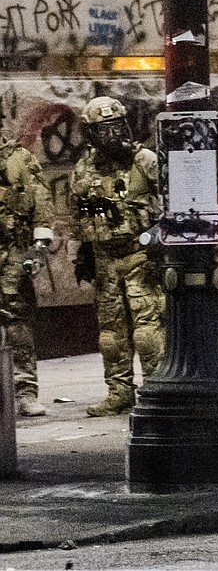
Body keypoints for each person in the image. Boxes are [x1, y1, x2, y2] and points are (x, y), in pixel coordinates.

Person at [69, 96, 164, 417]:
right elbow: (77, 213)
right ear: (90, 134)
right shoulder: (85, 167)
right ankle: (120, 391)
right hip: (105, 259)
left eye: (115, 127)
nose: (111, 135)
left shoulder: (145, 161)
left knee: (147, 329)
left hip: (141, 256)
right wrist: (82, 252)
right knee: (110, 335)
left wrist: (159, 238)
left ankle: (155, 389)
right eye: (102, 129)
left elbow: (175, 202)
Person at [0, 116, 55, 417]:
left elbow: (41, 205)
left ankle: (25, 391)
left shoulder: (20, 160)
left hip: (12, 249)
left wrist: (38, 248)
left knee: (16, 319)